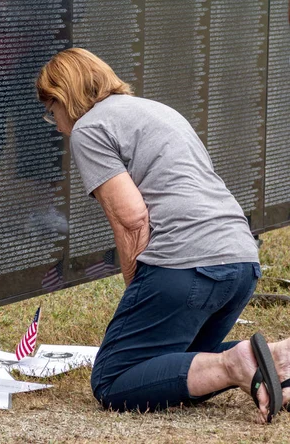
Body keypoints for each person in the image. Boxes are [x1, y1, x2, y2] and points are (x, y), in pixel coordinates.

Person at [36, 47, 290, 423]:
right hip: (241, 259)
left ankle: (234, 363)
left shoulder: (89, 128)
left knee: (114, 380)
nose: (55, 124)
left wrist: (135, 288)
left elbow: (132, 217)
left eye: (51, 110)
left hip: (187, 266)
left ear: (63, 98)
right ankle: (278, 359)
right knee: (171, 369)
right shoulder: (155, 109)